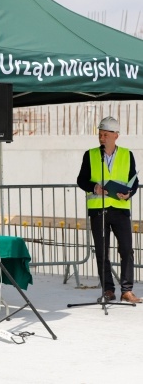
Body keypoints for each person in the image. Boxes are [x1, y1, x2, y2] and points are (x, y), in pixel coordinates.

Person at [77, 116, 141, 303]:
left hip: (120, 209)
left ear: (116, 136)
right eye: (100, 134)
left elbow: (134, 181)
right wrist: (94, 187)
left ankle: (127, 290)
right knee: (102, 251)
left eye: (105, 135)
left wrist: (129, 193)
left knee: (127, 249)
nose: (102, 138)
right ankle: (108, 290)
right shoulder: (90, 155)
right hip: (99, 210)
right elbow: (81, 180)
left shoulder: (127, 155)